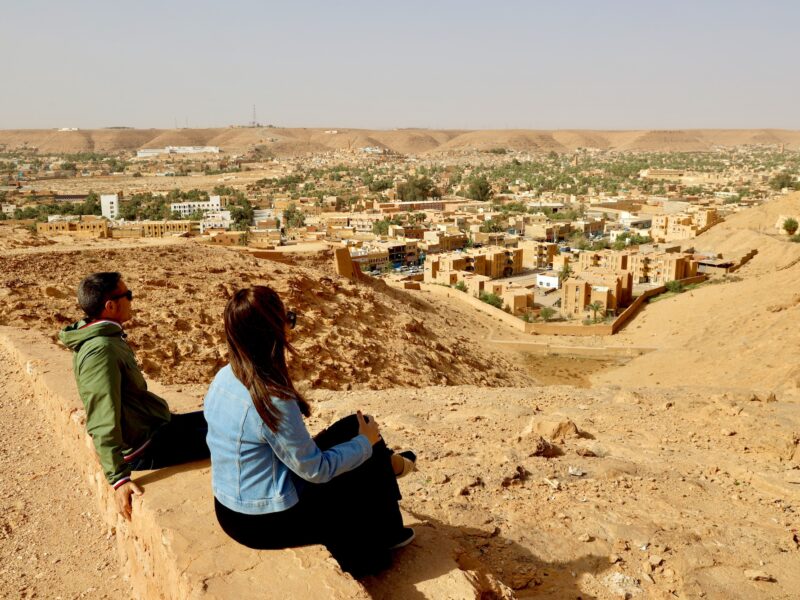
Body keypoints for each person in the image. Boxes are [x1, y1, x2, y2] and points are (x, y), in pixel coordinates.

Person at [204, 285, 416, 576]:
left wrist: (363, 441)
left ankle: (387, 471)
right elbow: (316, 470)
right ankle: (383, 535)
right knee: (363, 454)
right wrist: (365, 445)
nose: (291, 326)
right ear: (272, 332)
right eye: (288, 319)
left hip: (230, 507)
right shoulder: (272, 398)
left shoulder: (226, 376)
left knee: (357, 426)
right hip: (262, 520)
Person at [59, 272, 210, 521]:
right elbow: (101, 416)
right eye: (127, 295)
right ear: (110, 305)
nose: (132, 299)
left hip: (155, 425)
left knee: (221, 416)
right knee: (236, 435)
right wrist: (119, 479)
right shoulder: (101, 351)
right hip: (147, 446)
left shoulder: (104, 338)